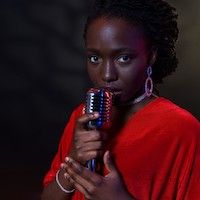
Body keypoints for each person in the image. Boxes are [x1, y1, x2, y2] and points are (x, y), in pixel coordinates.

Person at [41, 0, 200, 199]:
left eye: (123, 58)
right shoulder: (82, 116)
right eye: (95, 58)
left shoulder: (182, 129)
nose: (107, 75)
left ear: (150, 56)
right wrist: (74, 160)